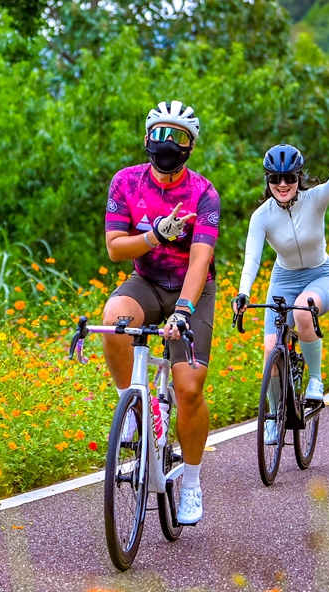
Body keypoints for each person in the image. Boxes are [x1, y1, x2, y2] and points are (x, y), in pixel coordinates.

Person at [231, 118, 329, 444]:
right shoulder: (262, 217)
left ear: (298, 178)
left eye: (289, 178)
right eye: (275, 179)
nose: (282, 184)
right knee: (272, 348)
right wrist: (243, 293)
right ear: (268, 180)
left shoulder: (315, 199)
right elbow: (253, 260)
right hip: (283, 278)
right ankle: (273, 418)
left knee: (303, 310)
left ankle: (315, 380)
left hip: (321, 275)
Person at [102, 100, 219, 525]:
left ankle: (191, 481)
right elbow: (116, 248)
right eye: (160, 134)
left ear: (190, 146)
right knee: (114, 317)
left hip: (192, 289)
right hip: (147, 283)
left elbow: (201, 259)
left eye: (179, 137)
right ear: (147, 137)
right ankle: (131, 409)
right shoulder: (126, 182)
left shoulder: (203, 193)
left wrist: (184, 312)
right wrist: (154, 236)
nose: (167, 144)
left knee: (188, 388)